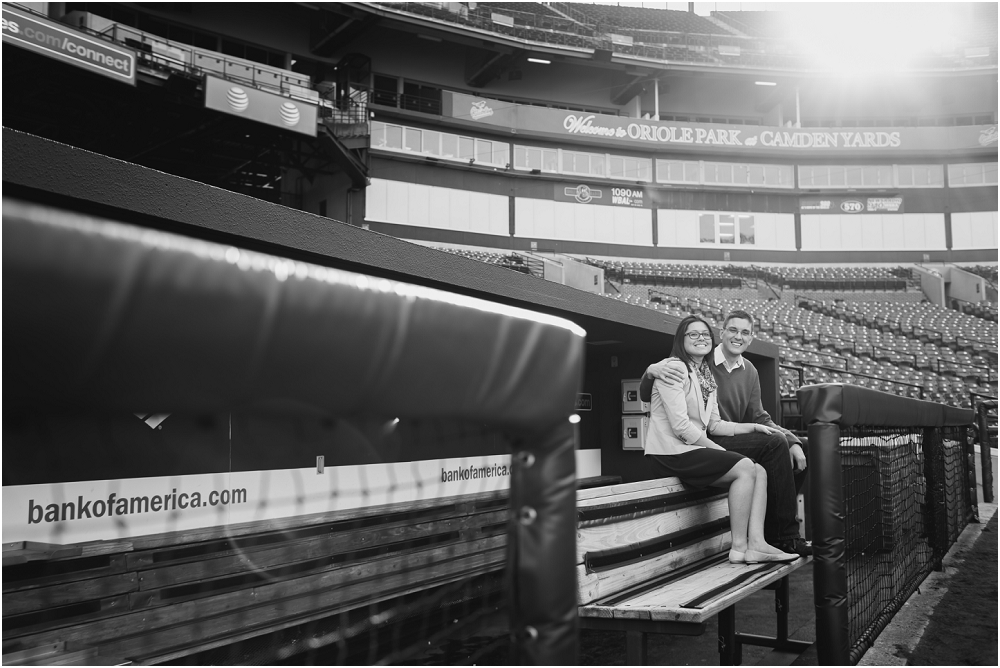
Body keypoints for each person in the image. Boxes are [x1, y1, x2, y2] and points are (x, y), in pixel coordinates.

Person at [639, 309, 810, 557]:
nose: (701, 339)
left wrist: (762, 429)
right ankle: (760, 542)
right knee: (756, 459)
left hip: (704, 440)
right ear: (722, 333)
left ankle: (759, 544)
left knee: (774, 457)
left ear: (751, 338)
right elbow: (677, 422)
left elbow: (724, 421)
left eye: (704, 334)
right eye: (693, 334)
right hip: (681, 447)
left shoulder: (710, 373)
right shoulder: (678, 366)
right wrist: (650, 370)